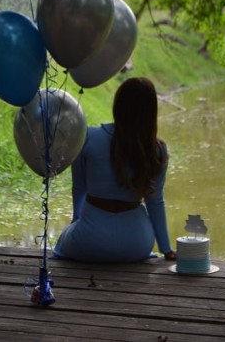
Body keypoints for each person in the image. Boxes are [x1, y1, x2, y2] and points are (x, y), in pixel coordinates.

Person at [53, 77, 176, 263]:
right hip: (137, 244)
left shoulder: (87, 138)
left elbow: (79, 189)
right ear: (151, 112)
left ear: (117, 106)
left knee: (62, 241)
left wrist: (78, 223)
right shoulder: (157, 149)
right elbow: (155, 202)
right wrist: (166, 249)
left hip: (90, 241)